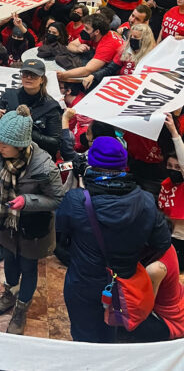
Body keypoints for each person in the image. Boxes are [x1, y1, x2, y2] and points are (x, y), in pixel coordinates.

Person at [55, 136, 172, 343]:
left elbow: (60, 235)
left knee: (83, 335)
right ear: (123, 165)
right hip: (122, 282)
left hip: (83, 282)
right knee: (111, 333)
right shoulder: (145, 201)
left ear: (92, 163)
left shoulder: (76, 200)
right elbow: (162, 243)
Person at [0, 106, 63, 335]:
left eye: (5, 144)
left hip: (32, 228)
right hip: (6, 221)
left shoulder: (43, 165)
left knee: (28, 266)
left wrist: (27, 201)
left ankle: (21, 308)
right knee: (10, 261)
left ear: (21, 144)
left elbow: (57, 199)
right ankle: (9, 293)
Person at [0, 59, 62, 158]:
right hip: (5, 149)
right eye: (25, 74)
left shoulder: (51, 107)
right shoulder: (9, 96)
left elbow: (55, 143)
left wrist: (26, 131)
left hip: (33, 154)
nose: (29, 77)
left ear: (42, 79)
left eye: (34, 75)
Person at [59, 13, 124, 80]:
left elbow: (87, 70)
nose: (83, 30)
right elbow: (70, 45)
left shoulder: (108, 44)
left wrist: (63, 75)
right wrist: (77, 49)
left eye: (86, 28)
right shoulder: (91, 35)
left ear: (97, 32)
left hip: (115, 74)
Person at [159, 113, 184, 271]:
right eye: (170, 166)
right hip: (167, 236)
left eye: (178, 167)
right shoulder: (165, 184)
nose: (173, 170)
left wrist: (174, 132)